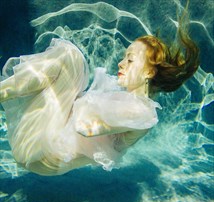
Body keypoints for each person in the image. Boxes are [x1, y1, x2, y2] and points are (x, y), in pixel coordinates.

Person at [0, 15, 199, 176]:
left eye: (130, 60)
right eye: (123, 58)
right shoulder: (127, 100)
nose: (121, 63)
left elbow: (85, 127)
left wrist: (81, 97)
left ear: (149, 72)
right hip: (42, 146)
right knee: (70, 63)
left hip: (46, 155)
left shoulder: (142, 111)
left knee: (71, 58)